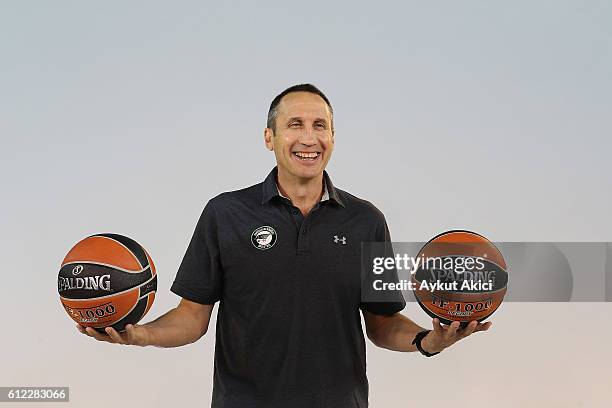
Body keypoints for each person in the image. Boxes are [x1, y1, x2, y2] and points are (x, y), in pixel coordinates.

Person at [78, 84, 492, 407]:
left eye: (319, 126)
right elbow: (192, 317)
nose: (308, 138)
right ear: (269, 137)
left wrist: (428, 342)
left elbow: (382, 323)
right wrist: (141, 335)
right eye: (295, 125)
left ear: (332, 137)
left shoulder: (367, 220)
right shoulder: (225, 213)